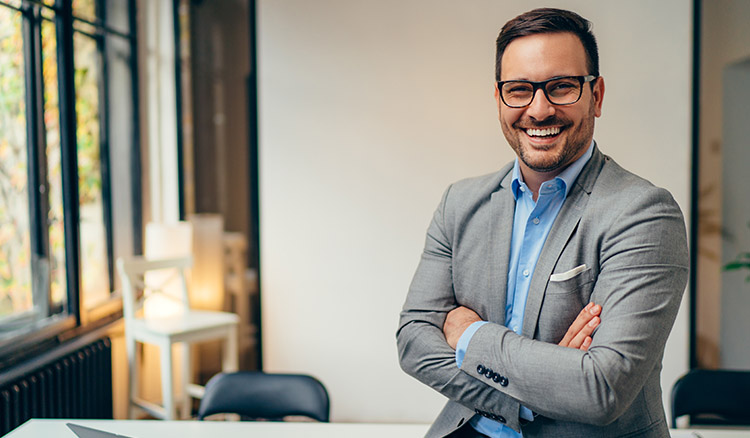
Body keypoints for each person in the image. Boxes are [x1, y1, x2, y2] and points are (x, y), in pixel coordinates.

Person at [396, 7, 689, 438]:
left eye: (562, 87)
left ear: (597, 95)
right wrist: (534, 393)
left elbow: (600, 387)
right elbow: (414, 343)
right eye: (519, 90)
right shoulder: (460, 203)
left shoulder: (643, 213)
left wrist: (469, 335)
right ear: (499, 99)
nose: (539, 109)